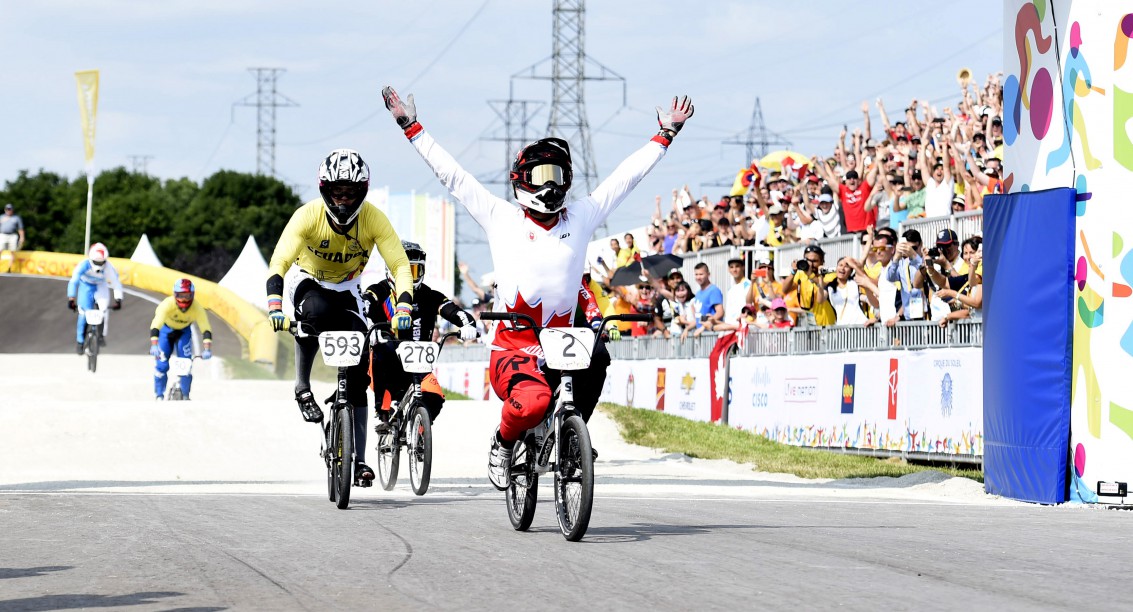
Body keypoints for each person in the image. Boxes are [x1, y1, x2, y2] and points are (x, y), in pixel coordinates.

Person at [381, 84, 693, 489]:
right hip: (513, 345)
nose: (551, 186)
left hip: (563, 340)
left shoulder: (581, 215)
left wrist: (664, 136)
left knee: (598, 357)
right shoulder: (500, 217)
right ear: (521, 180)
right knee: (533, 403)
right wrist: (412, 127)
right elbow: (453, 176)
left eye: (558, 176)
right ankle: (503, 441)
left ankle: (570, 432)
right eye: (542, 176)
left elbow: (625, 179)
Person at [265, 148, 415, 484]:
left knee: (360, 369)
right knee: (313, 315)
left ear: (362, 192)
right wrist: (275, 306)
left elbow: (400, 265)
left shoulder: (374, 218)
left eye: (350, 194)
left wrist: (403, 305)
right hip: (308, 281)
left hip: (349, 288)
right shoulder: (307, 216)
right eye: (337, 193)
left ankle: (358, 459)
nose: (343, 202)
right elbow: (279, 263)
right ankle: (302, 387)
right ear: (324, 192)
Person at [365, 241, 478, 431]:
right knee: (381, 351)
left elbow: (454, 311)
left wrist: (468, 324)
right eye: (403, 271)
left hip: (419, 365)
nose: (408, 278)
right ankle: (383, 414)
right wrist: (369, 326)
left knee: (435, 396)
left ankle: (417, 434)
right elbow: (365, 306)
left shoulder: (430, 296)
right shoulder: (379, 290)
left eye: (414, 271)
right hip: (385, 365)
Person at [149, 279, 213, 400]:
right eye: (180, 296)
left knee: (186, 365)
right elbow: (156, 325)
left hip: (184, 332)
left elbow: (206, 329)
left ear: (192, 295)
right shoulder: (167, 304)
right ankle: (159, 395)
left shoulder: (197, 308)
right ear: (175, 295)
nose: (184, 299)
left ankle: (185, 394)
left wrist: (207, 349)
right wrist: (154, 344)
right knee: (161, 366)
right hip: (165, 332)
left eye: (187, 296)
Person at [66, 242, 123, 354]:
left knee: (104, 310)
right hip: (85, 286)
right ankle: (80, 341)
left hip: (100, 286)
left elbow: (116, 283)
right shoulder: (83, 265)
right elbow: (73, 281)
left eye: (101, 262)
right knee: (83, 314)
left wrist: (118, 299)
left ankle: (101, 335)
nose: (99, 264)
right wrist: (71, 299)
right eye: (96, 262)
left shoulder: (108, 267)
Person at [781, 244, 837, 327]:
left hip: (827, 324)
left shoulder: (829, 274)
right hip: (808, 326)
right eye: (808, 260)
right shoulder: (801, 274)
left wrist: (810, 275)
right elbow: (785, 290)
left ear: (822, 262)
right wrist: (793, 272)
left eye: (814, 261)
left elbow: (823, 285)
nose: (810, 264)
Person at [714, 258, 752, 332]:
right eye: (731, 267)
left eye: (737, 266)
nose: (734, 270)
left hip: (742, 328)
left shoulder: (748, 284)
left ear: (743, 267)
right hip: (730, 328)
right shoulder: (731, 289)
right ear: (729, 270)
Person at [691, 262, 723, 334]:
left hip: (711, 333)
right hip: (701, 334)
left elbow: (720, 312)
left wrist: (704, 326)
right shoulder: (698, 293)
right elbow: (698, 317)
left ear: (708, 274)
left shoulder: (713, 290)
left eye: (701, 274)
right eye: (696, 274)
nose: (698, 277)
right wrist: (687, 329)